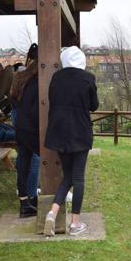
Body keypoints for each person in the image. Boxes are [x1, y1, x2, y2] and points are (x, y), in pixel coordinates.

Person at [43, 46, 99, 237]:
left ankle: (52, 213)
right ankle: (75, 224)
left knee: (67, 177)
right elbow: (94, 105)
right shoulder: (88, 79)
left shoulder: (56, 78)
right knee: (78, 178)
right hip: (80, 132)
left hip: (58, 131)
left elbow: (52, 100)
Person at [10, 44, 40, 208]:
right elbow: (36, 109)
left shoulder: (20, 77)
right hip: (31, 127)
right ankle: (33, 196)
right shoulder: (36, 81)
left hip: (20, 124)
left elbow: (13, 99)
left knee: (23, 163)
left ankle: (24, 203)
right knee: (35, 161)